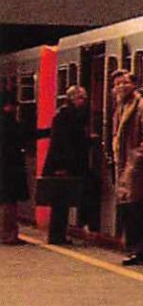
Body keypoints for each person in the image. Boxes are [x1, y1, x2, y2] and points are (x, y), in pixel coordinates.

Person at [110, 69, 143, 266]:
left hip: (140, 170)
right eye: (117, 84)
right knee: (130, 209)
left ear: (134, 85)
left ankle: (141, 251)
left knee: (140, 210)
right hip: (127, 166)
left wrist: (135, 161)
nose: (121, 87)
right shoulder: (122, 107)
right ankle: (135, 249)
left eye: (124, 83)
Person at [41, 85, 91, 245]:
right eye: (82, 97)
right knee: (60, 202)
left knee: (61, 202)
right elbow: (64, 143)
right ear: (73, 98)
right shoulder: (67, 115)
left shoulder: (65, 113)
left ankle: (58, 235)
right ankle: (56, 236)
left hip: (62, 164)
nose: (85, 101)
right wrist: (61, 167)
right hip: (61, 165)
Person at [0, 90, 28, 245]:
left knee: (7, 202)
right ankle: (8, 234)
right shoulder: (8, 123)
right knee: (9, 203)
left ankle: (8, 233)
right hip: (9, 169)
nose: (16, 109)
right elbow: (22, 136)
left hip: (6, 168)